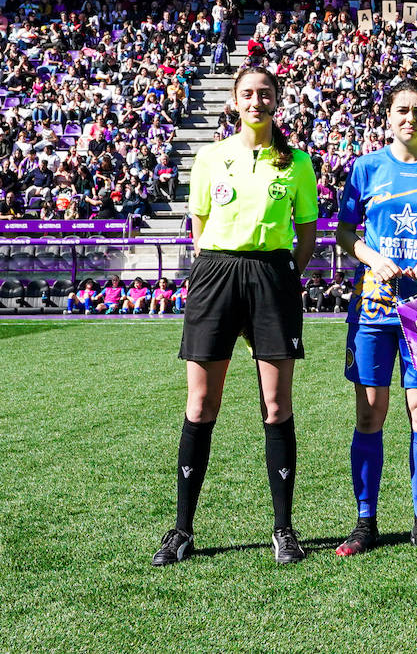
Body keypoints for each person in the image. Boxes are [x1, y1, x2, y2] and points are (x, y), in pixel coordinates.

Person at [152, 66, 319, 567]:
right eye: (247, 94)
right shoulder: (210, 157)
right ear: (234, 101)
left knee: (276, 404)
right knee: (200, 404)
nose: (256, 101)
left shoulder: (297, 163)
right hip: (216, 273)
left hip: (272, 275)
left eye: (265, 94)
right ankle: (182, 530)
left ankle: (283, 530)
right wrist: (218, 267)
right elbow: (199, 225)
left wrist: (283, 276)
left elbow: (306, 233)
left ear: (277, 101)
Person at [334, 78, 417, 557]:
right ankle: (365, 521)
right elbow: (345, 234)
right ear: (387, 116)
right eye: (400, 110)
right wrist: (372, 258)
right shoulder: (365, 169)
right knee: (370, 413)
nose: (409, 117)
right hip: (372, 307)